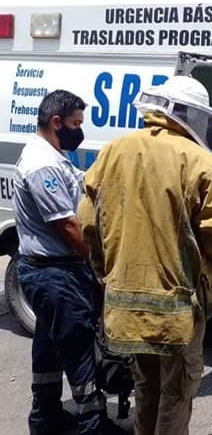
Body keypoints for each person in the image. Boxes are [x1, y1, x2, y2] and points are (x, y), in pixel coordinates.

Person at [78, 76, 212, 435]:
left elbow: (89, 224)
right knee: (177, 394)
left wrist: (106, 273)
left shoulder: (112, 151)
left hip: (125, 308)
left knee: (146, 389)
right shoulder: (199, 160)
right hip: (179, 311)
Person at [13, 90, 125, 435]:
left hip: (48, 271)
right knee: (78, 352)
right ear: (56, 122)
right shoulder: (42, 164)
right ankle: (92, 425)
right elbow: (68, 226)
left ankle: (45, 417)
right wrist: (101, 264)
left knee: (47, 347)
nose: (80, 131)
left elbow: (83, 185)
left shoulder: (54, 156)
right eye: (76, 124)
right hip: (55, 272)